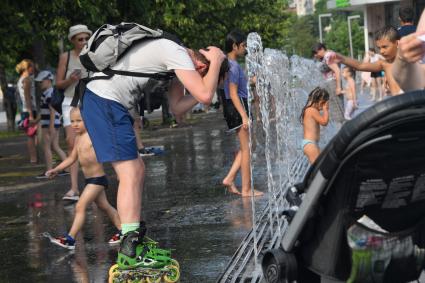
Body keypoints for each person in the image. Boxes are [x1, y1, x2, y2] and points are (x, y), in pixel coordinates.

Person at [79, 29, 227, 266]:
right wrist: (219, 59)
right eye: (206, 72)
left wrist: (204, 90)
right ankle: (129, 249)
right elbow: (205, 94)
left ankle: (133, 240)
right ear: (202, 66)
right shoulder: (175, 51)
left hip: (107, 102)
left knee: (136, 170)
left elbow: (178, 108)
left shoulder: (174, 62)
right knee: (131, 172)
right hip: (104, 100)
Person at [46, 108, 121, 250]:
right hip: (90, 180)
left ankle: (70, 239)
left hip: (98, 179)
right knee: (104, 206)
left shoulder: (94, 136)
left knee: (80, 206)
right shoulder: (78, 138)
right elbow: (72, 158)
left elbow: (110, 150)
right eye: (72, 121)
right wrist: (57, 169)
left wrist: (119, 170)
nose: (75, 124)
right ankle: (124, 231)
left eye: (79, 121)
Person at [221, 30, 263, 197]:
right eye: (243, 46)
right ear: (234, 46)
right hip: (237, 107)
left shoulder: (233, 65)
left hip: (238, 106)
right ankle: (246, 189)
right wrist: (244, 116)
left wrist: (253, 80)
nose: (245, 49)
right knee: (247, 150)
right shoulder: (232, 66)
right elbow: (232, 93)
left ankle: (230, 178)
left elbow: (240, 87)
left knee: (247, 147)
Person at [56, 24, 92, 201]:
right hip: (70, 102)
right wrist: (70, 79)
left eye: (86, 38)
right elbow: (58, 84)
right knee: (72, 144)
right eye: (80, 39)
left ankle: (93, 184)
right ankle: (74, 188)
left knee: (91, 143)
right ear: (73, 41)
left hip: (88, 101)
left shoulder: (93, 54)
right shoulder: (66, 57)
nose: (84, 42)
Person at [335, 26, 403, 95]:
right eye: (379, 48)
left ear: (397, 43)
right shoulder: (384, 64)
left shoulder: (408, 61)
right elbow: (360, 65)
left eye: (385, 47)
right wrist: (340, 58)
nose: (381, 51)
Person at [34, 71, 68, 178]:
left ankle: (49, 171)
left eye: (41, 81)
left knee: (47, 147)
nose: (39, 84)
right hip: (53, 124)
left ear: (48, 81)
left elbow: (52, 110)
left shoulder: (49, 93)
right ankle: (67, 168)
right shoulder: (49, 92)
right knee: (55, 146)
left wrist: (51, 126)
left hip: (49, 124)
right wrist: (35, 121)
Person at [392, 9, 425, 91]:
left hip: (407, 77)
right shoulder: (418, 30)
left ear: (400, 18)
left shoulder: (397, 33)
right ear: (413, 18)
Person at [312, 43, 344, 124]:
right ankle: (341, 128)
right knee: (336, 107)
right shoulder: (328, 55)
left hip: (333, 83)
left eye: (316, 53)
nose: (315, 55)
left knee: (337, 108)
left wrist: (338, 87)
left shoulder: (328, 56)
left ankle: (342, 130)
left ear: (322, 49)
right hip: (331, 83)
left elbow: (337, 70)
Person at [16, 59, 38, 163]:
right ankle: (33, 158)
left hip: (27, 110)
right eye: (32, 66)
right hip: (29, 110)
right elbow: (27, 98)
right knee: (31, 134)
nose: (33, 68)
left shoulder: (22, 79)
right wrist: (31, 115)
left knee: (33, 134)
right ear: (27, 68)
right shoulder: (26, 80)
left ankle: (35, 157)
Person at [300, 87, 330, 164]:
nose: (323, 105)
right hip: (310, 144)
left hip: (311, 144)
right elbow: (324, 122)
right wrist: (326, 110)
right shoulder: (311, 110)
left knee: (321, 166)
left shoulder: (310, 110)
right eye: (323, 103)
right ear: (316, 100)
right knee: (320, 168)